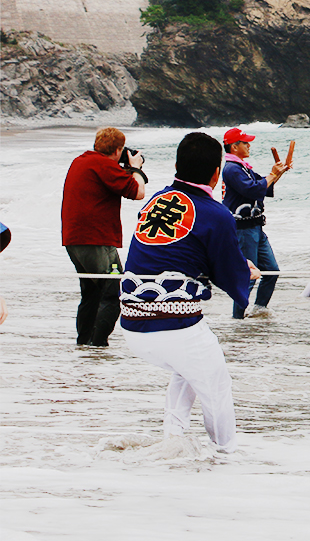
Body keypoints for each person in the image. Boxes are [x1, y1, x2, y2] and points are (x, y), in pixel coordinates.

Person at [119, 132, 253, 452]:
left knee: (187, 368)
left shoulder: (155, 201)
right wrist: (245, 272)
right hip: (173, 326)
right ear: (216, 173)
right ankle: (226, 452)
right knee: (216, 386)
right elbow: (228, 272)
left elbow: (175, 249)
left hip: (130, 319)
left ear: (176, 165)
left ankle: (173, 435)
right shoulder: (216, 212)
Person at [62, 126, 147, 346]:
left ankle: (84, 344)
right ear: (118, 150)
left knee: (91, 294)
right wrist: (136, 168)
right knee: (112, 293)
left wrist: (126, 169)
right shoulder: (103, 165)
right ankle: (97, 345)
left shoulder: (82, 161)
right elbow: (138, 192)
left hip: (74, 239)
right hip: (96, 240)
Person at [221, 127, 289, 319]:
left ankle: (259, 309)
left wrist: (277, 173)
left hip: (256, 227)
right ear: (234, 147)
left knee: (271, 271)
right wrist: (272, 174)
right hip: (243, 229)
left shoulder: (242, 167)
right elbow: (253, 189)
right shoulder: (232, 169)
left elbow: (263, 184)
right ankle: (238, 318)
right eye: (245, 142)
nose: (249, 145)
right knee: (248, 276)